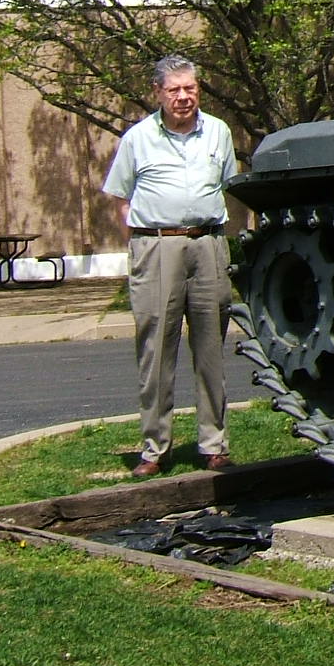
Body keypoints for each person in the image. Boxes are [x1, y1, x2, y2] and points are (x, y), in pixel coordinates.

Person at [102, 55, 240, 478]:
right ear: (158, 93)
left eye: (190, 88)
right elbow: (120, 199)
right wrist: (142, 246)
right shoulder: (138, 138)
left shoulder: (218, 131)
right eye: (174, 90)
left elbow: (226, 185)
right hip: (157, 246)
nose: (184, 97)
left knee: (211, 350)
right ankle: (154, 446)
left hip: (209, 246)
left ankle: (213, 443)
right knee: (156, 350)